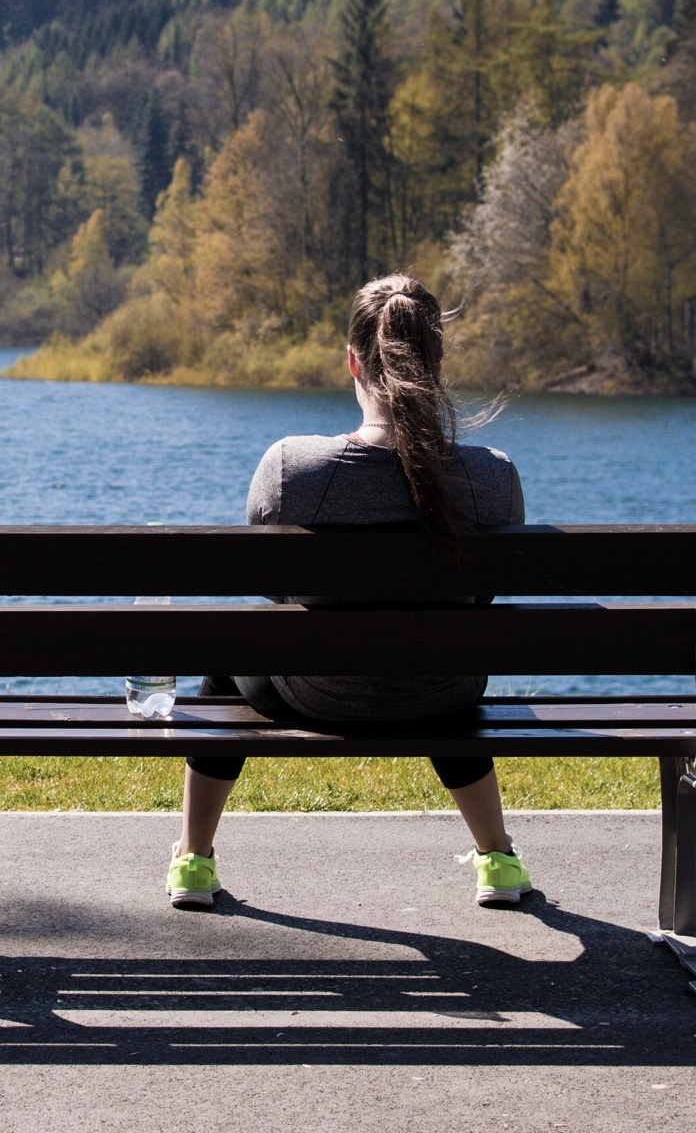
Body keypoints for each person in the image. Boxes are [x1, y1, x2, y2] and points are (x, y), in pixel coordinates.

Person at [166, 273, 534, 912]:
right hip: (440, 695)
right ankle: (497, 861)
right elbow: (485, 600)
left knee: (228, 656)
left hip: (316, 692)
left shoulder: (292, 466)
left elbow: (270, 587)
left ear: (353, 362)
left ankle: (193, 861)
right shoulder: (491, 475)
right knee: (445, 651)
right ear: (437, 363)